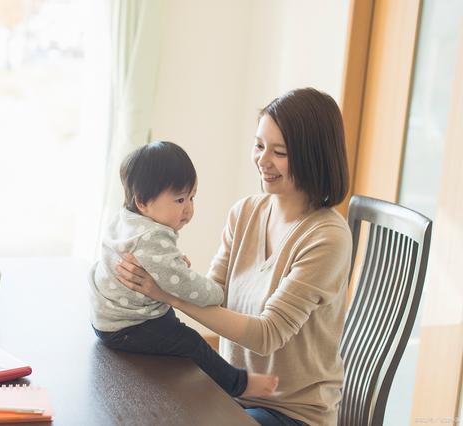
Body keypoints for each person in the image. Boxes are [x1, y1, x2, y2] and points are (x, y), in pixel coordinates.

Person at [116, 88, 352, 426]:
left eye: (279, 152)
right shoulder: (245, 213)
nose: (262, 161)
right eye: (259, 146)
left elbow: (266, 336)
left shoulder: (327, 237)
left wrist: (167, 294)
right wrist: (174, 276)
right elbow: (216, 292)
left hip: (291, 413)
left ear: (313, 156)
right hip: (232, 395)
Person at [88, 141, 279, 399]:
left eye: (192, 197)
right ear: (143, 201)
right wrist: (217, 294)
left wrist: (171, 266)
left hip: (108, 319)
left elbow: (162, 270)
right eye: (179, 199)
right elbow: (185, 286)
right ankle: (238, 383)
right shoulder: (153, 236)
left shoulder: (127, 219)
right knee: (191, 342)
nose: (189, 209)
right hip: (128, 327)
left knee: (171, 327)